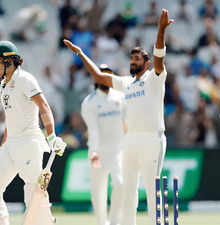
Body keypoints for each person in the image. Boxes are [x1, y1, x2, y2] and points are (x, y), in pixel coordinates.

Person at [64, 9, 173, 225]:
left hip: (152, 138)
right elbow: (98, 76)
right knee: (128, 191)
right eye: (131, 58)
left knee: (153, 189)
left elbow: (159, 55)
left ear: (147, 63)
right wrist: (80, 53)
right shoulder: (125, 83)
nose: (133, 61)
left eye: (137, 58)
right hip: (130, 140)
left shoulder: (155, 78)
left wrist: (160, 30)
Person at [0, 41, 67, 225]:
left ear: (9, 60)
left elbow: (44, 107)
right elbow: (11, 118)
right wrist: (1, 147)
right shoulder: (3, 85)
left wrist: (51, 136)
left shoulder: (25, 79)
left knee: (33, 192)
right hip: (10, 145)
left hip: (29, 142)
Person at [81, 64, 126, 225]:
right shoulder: (89, 102)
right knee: (98, 191)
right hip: (98, 152)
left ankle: (114, 221)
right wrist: (94, 152)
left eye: (108, 75)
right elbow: (93, 130)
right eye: (102, 74)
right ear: (96, 76)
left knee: (120, 184)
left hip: (117, 151)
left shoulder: (120, 98)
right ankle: (102, 222)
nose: (105, 78)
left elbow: (127, 123)